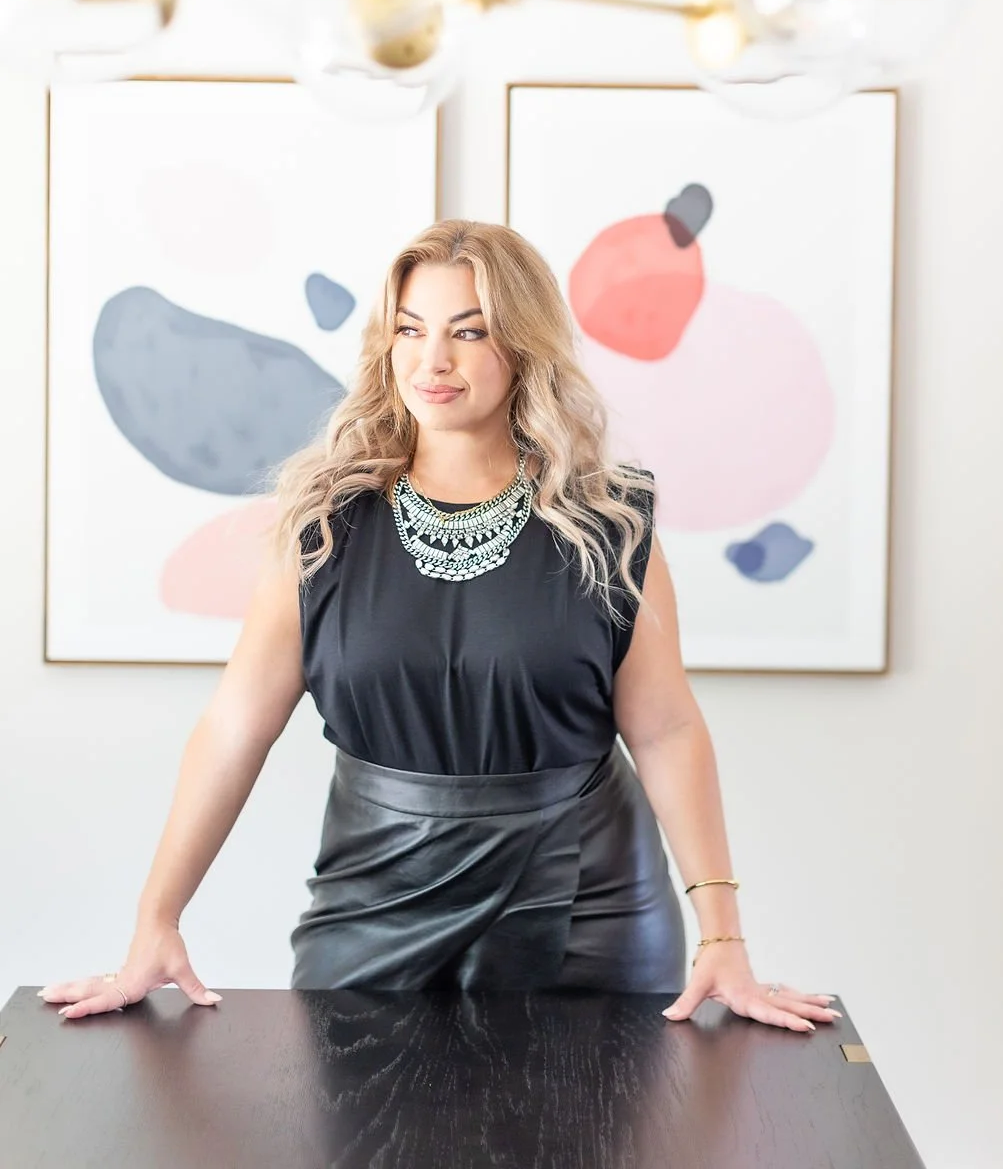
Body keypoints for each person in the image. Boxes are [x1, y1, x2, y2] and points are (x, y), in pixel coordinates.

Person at [40, 220, 840, 1033]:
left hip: (587, 901)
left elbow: (666, 730)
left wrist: (724, 936)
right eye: (410, 330)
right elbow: (234, 728)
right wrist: (156, 919)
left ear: (523, 345)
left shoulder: (607, 520)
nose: (433, 361)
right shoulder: (322, 522)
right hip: (372, 895)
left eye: (470, 332)